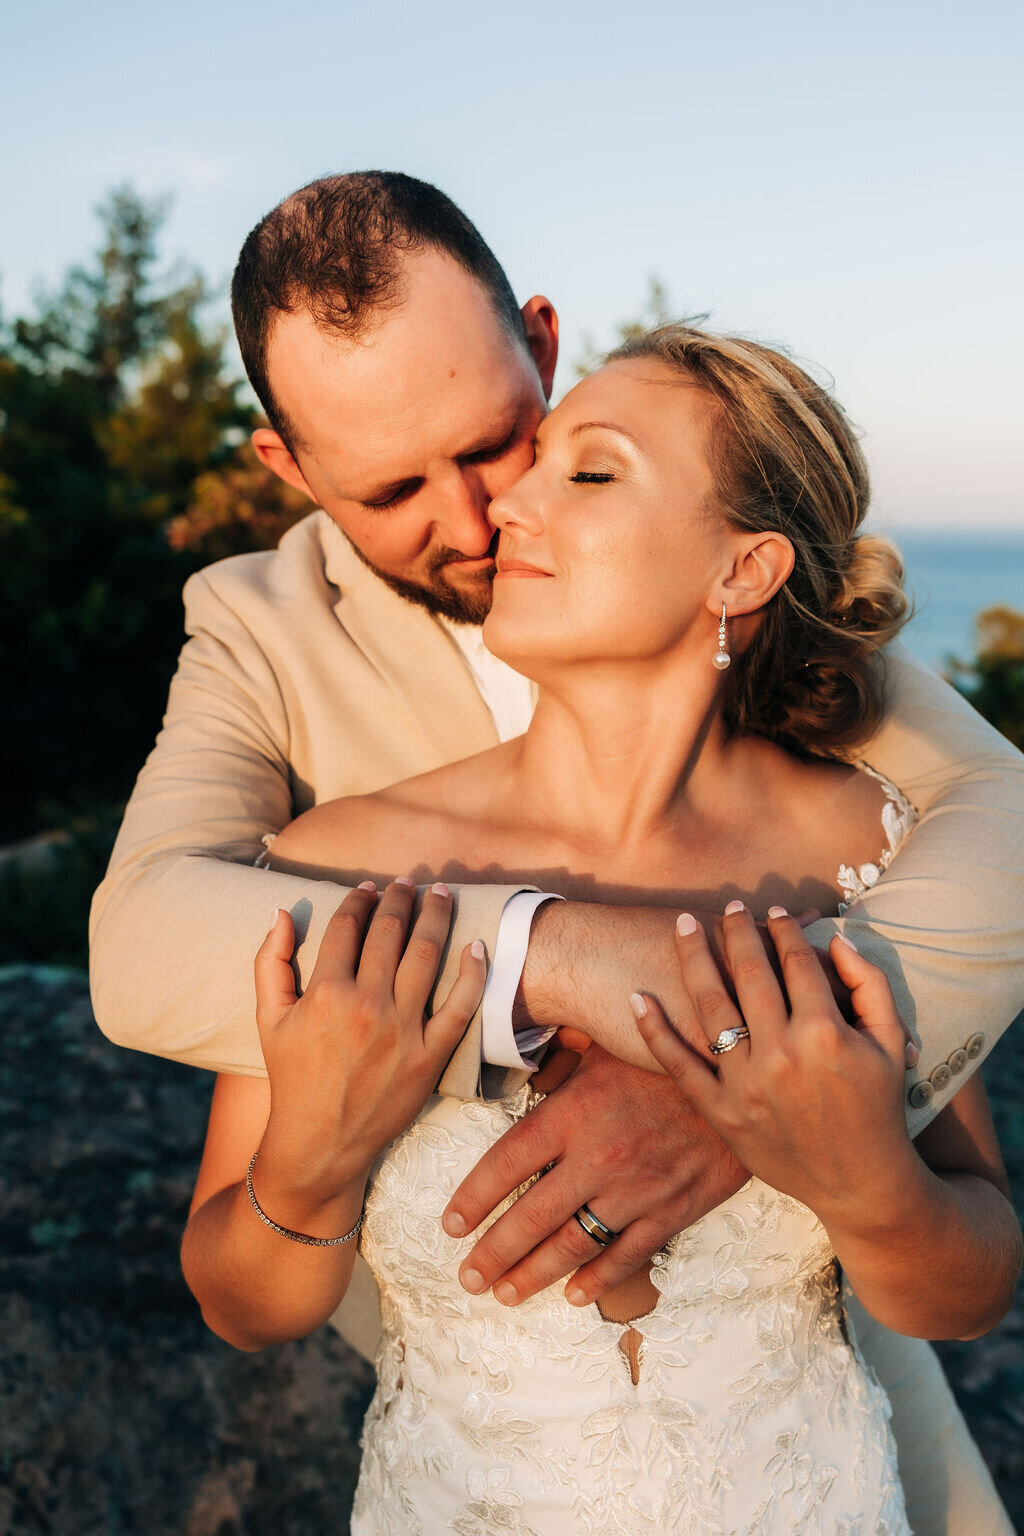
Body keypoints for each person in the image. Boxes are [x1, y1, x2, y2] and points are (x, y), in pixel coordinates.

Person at [89, 173, 1024, 1531]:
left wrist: (745, 1090)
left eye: (493, 447)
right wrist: (556, 962)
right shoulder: (261, 653)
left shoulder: (776, 665)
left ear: (539, 342)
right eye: (393, 488)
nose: (476, 523)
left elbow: (1001, 815)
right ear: (287, 469)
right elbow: (143, 937)